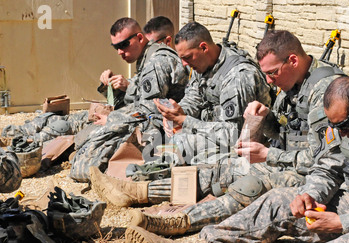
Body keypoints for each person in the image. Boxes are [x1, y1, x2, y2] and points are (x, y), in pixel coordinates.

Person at [124, 76, 349, 243]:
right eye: (336, 127)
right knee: (279, 200)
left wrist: (343, 222)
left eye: (345, 126)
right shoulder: (347, 126)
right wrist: (310, 194)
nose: (342, 133)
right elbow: (328, 167)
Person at [91, 30, 345, 238]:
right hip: (286, 156)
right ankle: (140, 191)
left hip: (315, 175)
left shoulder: (325, 93)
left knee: (249, 182)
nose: (268, 81)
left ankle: (183, 221)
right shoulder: (291, 83)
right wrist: (264, 118)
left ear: (293, 61)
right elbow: (283, 131)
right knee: (220, 170)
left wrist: (270, 153)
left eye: (272, 73)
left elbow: (322, 160)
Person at [90, 21, 273, 204]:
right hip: (214, 133)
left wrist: (185, 121)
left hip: (246, 146)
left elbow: (234, 135)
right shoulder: (204, 64)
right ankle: (138, 180)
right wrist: (176, 111)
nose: (184, 63)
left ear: (203, 47)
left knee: (186, 150)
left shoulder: (237, 77)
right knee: (168, 144)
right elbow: (194, 96)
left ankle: (142, 192)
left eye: (187, 57)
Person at [1, 16, 186, 145]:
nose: (120, 52)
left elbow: (148, 109)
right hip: (136, 119)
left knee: (78, 127)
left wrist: (112, 118)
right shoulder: (146, 59)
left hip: (156, 129)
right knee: (70, 119)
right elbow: (136, 97)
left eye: (124, 45)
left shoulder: (157, 60)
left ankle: (23, 142)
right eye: (116, 47)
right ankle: (15, 132)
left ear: (139, 38)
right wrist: (113, 86)